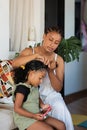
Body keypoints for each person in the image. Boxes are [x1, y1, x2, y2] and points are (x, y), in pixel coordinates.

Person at [12, 26, 74, 130]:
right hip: (31, 94)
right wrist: (35, 56)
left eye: (56, 42)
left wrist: (50, 71)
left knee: (60, 108)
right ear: (44, 36)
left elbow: (58, 88)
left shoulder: (58, 60)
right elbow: (14, 64)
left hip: (50, 95)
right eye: (50, 40)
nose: (52, 44)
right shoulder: (29, 52)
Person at [12, 60, 66, 130]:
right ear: (31, 74)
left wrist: (42, 105)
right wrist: (33, 116)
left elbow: (36, 97)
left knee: (61, 125)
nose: (41, 81)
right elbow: (17, 108)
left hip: (36, 114)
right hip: (25, 119)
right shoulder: (22, 89)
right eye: (40, 78)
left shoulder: (34, 86)